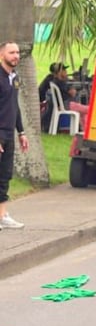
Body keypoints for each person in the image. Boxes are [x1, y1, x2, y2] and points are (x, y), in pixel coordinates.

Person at [0, 41, 30, 230]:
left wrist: (22, 132)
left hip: (9, 133)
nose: (16, 56)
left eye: (18, 52)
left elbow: (14, 106)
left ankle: (2, 215)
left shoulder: (14, 77)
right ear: (2, 54)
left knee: (4, 177)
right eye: (12, 52)